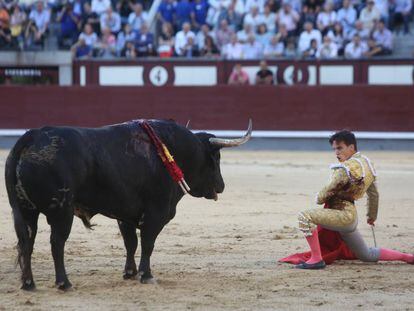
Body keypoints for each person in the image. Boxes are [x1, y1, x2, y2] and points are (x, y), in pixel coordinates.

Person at [289, 130, 414, 269]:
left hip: (342, 216)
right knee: (367, 255)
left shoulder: (344, 168)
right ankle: (408, 257)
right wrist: (371, 216)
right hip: (351, 219)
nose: (336, 152)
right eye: (334, 149)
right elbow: (373, 195)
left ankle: (316, 259)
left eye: (340, 148)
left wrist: (318, 197)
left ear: (351, 147)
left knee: (304, 217)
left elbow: (328, 191)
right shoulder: (367, 164)